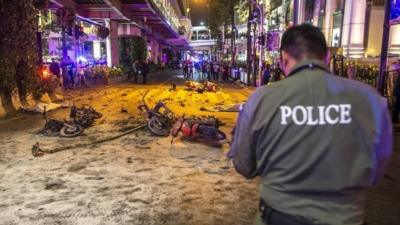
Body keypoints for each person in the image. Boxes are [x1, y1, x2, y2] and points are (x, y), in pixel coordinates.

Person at [228, 24, 392, 225]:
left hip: (279, 216)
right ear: (327, 57)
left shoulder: (262, 99)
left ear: (284, 59)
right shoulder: (371, 100)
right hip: (346, 218)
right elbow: (376, 169)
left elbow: (244, 165)